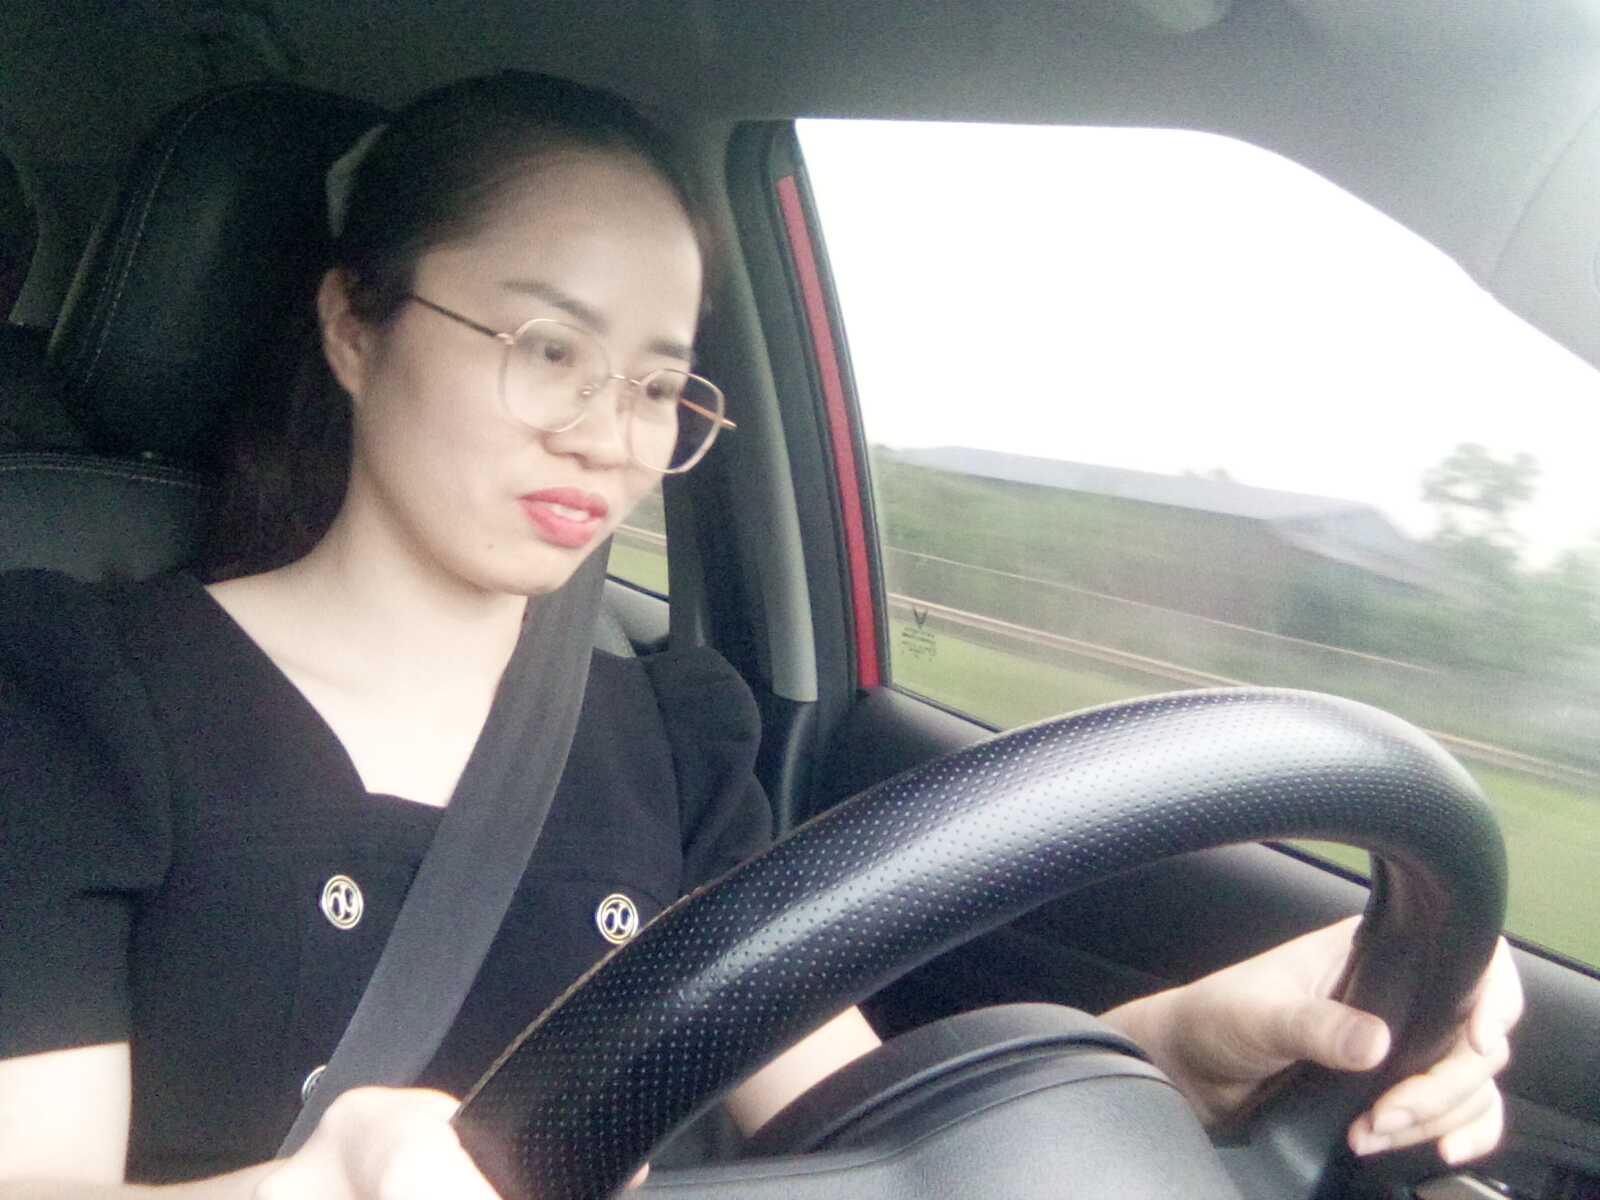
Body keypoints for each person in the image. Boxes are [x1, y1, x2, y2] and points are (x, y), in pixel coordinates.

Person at [0, 72, 1521, 1198]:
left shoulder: (673, 739)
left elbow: (858, 1136)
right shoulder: (77, 696)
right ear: (354, 325)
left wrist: (1180, 1053)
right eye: (549, 345)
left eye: (660, 383)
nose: (610, 433)